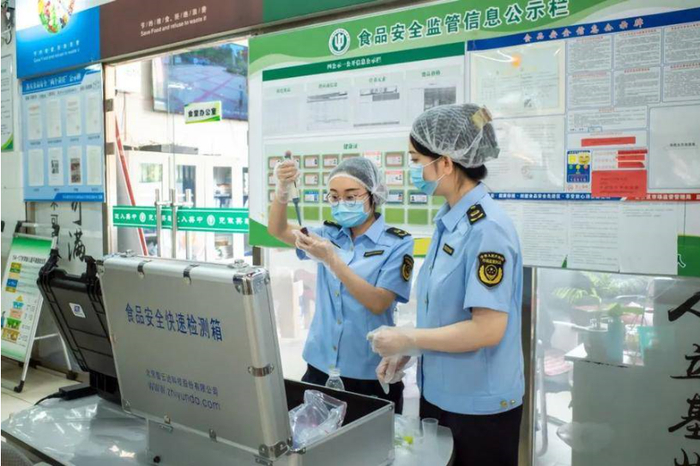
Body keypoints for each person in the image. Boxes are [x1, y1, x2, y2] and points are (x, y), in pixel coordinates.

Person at [369, 103, 524, 465]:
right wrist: (411, 348)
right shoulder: (450, 221)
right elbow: (446, 313)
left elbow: (487, 329)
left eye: (416, 159)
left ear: (446, 163)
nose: (413, 169)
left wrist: (408, 337)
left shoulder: (487, 230)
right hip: (441, 396)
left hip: (480, 408)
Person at [269, 156, 414, 413]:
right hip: (319, 367)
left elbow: (378, 302)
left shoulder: (397, 243)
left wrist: (332, 261)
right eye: (334, 197)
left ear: (373, 195)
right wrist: (282, 190)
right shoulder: (328, 234)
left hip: (370, 374)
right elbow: (278, 230)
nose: (341, 203)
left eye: (351, 196)